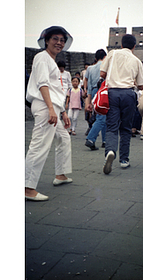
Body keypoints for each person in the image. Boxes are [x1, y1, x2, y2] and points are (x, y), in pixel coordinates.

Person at [25, 26, 73, 201]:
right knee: (39, 145)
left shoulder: (51, 61)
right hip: (46, 107)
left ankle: (61, 174)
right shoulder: (42, 57)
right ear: (46, 40)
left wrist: (63, 112)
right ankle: (27, 187)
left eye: (62, 40)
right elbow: (43, 85)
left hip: (52, 107)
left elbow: (55, 90)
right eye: (55, 39)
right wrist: (52, 109)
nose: (59, 43)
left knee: (64, 137)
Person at [100, 34, 143, 174]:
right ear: (134, 46)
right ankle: (124, 160)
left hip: (112, 93)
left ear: (121, 45)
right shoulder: (137, 61)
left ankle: (110, 151)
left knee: (112, 126)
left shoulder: (112, 54)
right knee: (125, 128)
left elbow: (102, 73)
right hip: (128, 95)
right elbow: (142, 86)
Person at [84, 49, 107, 150]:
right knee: (102, 117)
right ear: (105, 57)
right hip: (103, 91)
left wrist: (88, 102)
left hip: (93, 91)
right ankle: (90, 139)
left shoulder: (90, 68)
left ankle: (105, 140)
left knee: (102, 116)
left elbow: (88, 86)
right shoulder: (106, 66)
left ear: (95, 58)